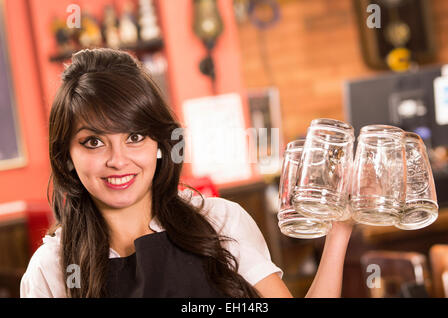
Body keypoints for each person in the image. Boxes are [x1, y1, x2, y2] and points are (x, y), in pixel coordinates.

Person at [20, 48, 353, 298]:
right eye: (93, 142)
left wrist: (339, 231)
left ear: (161, 143)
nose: (118, 160)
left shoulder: (220, 222)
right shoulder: (50, 269)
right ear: (66, 156)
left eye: (135, 137)